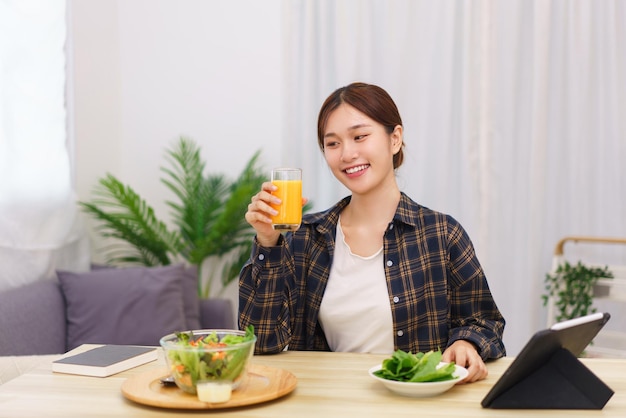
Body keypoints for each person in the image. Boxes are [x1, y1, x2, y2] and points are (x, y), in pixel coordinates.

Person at [239, 82, 505, 382]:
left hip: (419, 404)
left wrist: (465, 342)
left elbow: (485, 322)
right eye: (333, 143)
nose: (347, 154)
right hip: (329, 404)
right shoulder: (306, 238)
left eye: (360, 136)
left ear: (395, 139)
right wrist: (267, 241)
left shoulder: (442, 234)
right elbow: (261, 342)